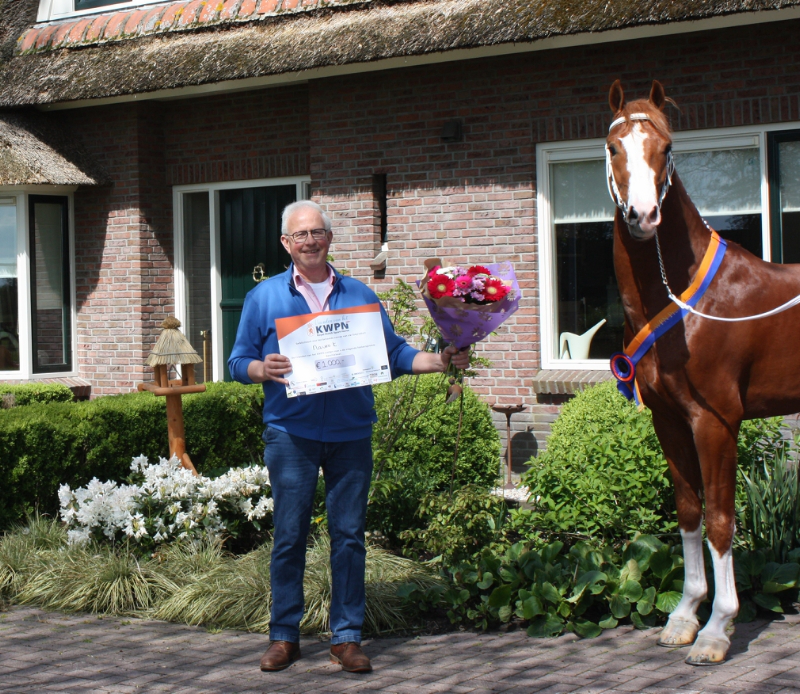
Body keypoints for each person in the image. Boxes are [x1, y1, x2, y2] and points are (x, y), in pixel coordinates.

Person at [228, 200, 470, 674]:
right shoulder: (264, 297)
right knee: (289, 536)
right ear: (286, 243)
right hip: (291, 434)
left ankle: (346, 637)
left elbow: (394, 354)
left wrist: (440, 361)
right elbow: (237, 362)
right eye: (301, 235)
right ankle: (284, 636)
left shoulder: (360, 294)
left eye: (317, 232)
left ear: (330, 239)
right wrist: (261, 368)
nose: (310, 241)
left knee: (349, 537)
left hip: (351, 433)